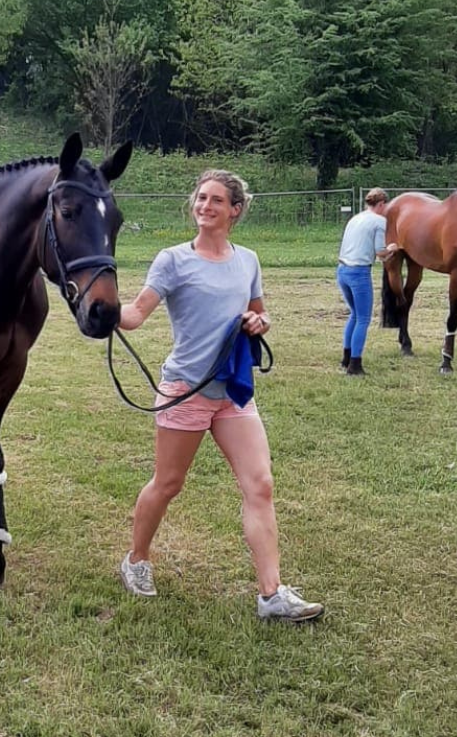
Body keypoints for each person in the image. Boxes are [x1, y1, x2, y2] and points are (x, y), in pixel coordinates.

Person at [116, 169, 324, 623]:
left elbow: (258, 314)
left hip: (232, 391)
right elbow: (135, 313)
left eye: (215, 200)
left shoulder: (247, 259)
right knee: (168, 484)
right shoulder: (172, 260)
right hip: (185, 391)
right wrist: (104, 311)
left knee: (260, 485)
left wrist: (258, 324)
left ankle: (271, 595)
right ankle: (136, 560)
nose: (204, 205)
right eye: (200, 198)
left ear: (235, 210)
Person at [336, 187, 393, 375]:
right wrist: (393, 248)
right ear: (382, 204)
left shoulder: (355, 218)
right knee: (363, 318)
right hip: (359, 273)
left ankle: (346, 357)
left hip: (342, 270)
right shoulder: (379, 221)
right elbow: (380, 252)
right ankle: (355, 364)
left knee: (354, 314)